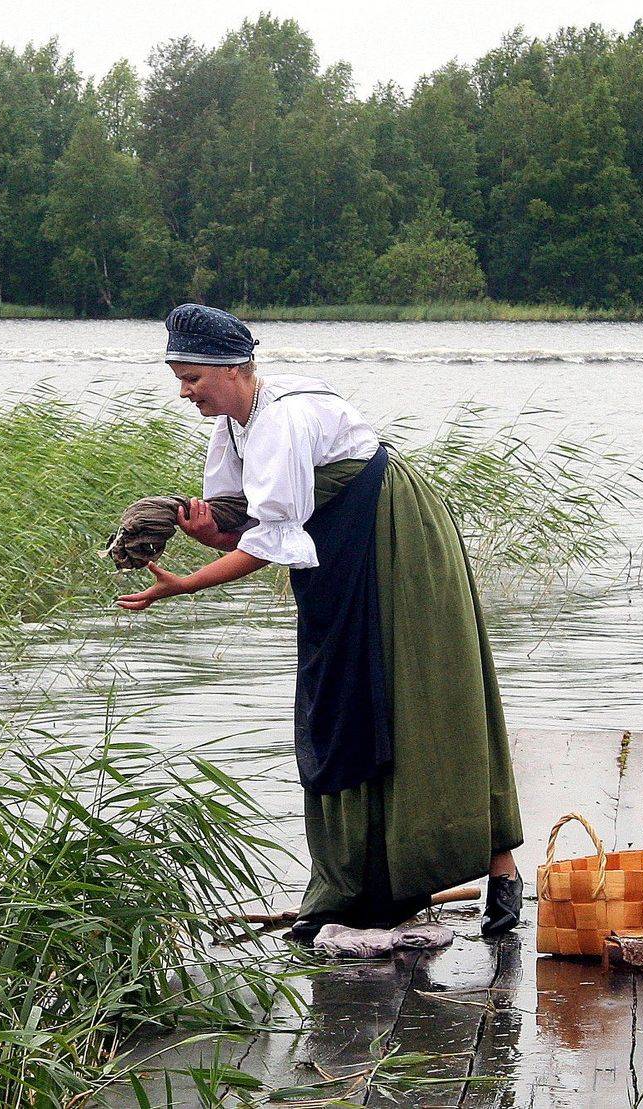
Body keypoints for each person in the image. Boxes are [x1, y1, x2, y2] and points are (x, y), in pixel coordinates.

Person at [115, 303, 524, 941]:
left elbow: (271, 543)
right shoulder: (235, 427)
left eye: (192, 377)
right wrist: (203, 533)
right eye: (179, 378)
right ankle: (359, 891)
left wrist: (186, 585)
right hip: (336, 551)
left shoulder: (280, 420)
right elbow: (253, 530)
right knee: (342, 703)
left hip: (392, 540)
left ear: (234, 369)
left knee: (418, 698)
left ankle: (497, 871)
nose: (184, 391)